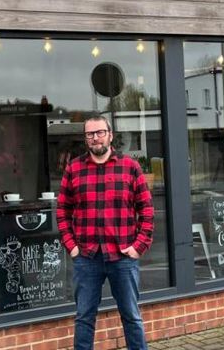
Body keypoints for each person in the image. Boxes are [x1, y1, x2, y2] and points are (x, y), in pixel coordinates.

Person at [57, 115, 154, 350]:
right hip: (86, 257)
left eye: (100, 132)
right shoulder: (74, 168)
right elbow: (62, 211)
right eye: (90, 134)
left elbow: (147, 211)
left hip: (122, 256)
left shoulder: (130, 167)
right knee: (84, 318)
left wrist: (138, 246)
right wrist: (72, 246)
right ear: (85, 139)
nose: (95, 138)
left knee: (131, 316)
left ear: (110, 135)